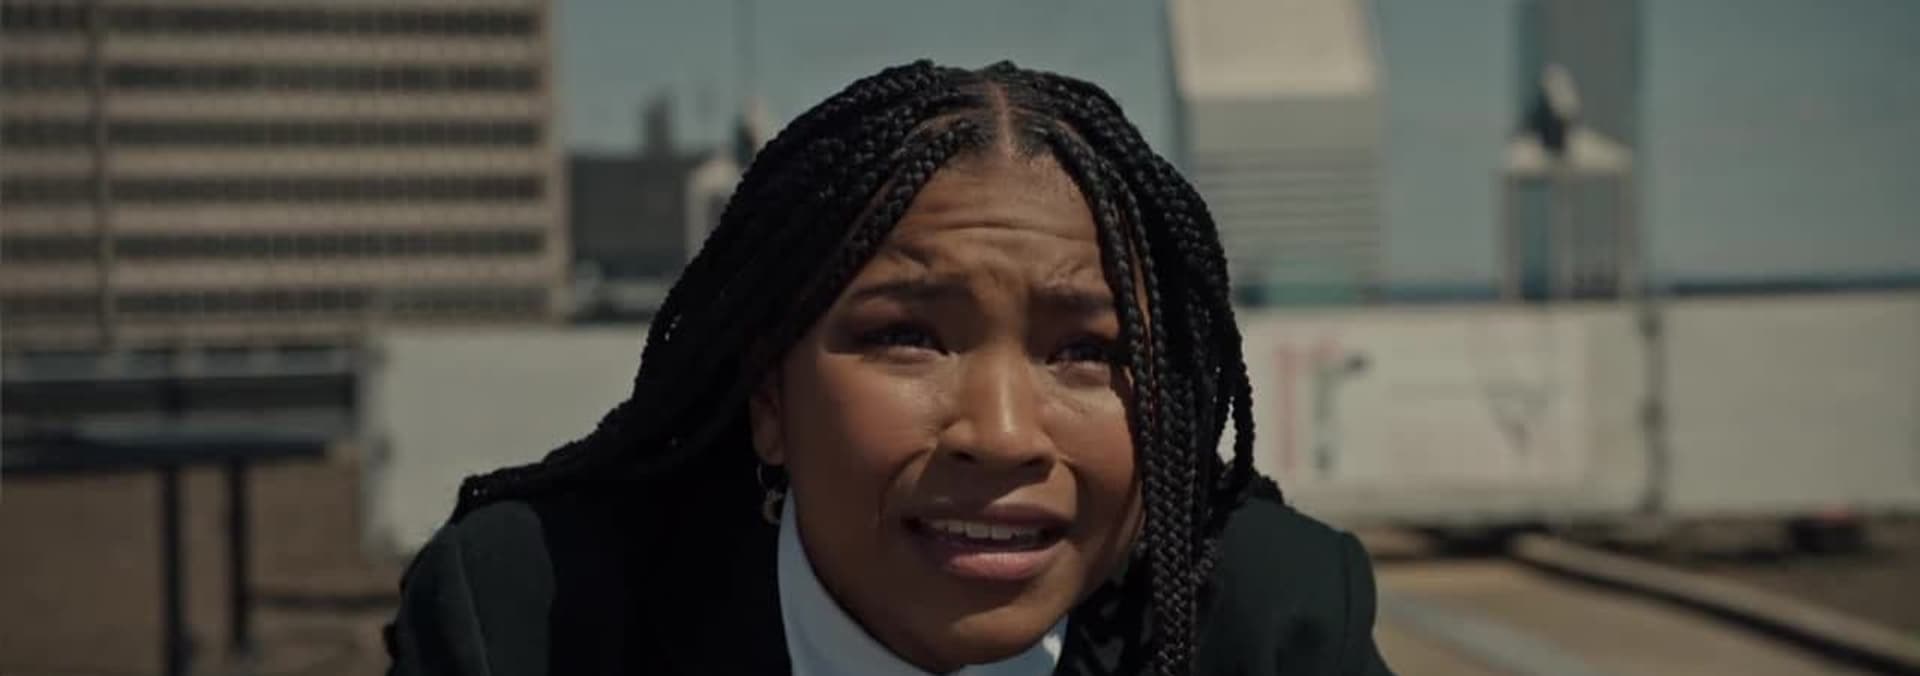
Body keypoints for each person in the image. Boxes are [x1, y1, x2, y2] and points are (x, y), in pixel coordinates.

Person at [385, 60, 1395, 676]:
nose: (1002, 432)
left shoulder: (1277, 620)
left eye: (1087, 351)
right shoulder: (532, 620)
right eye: (907, 337)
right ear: (770, 395)